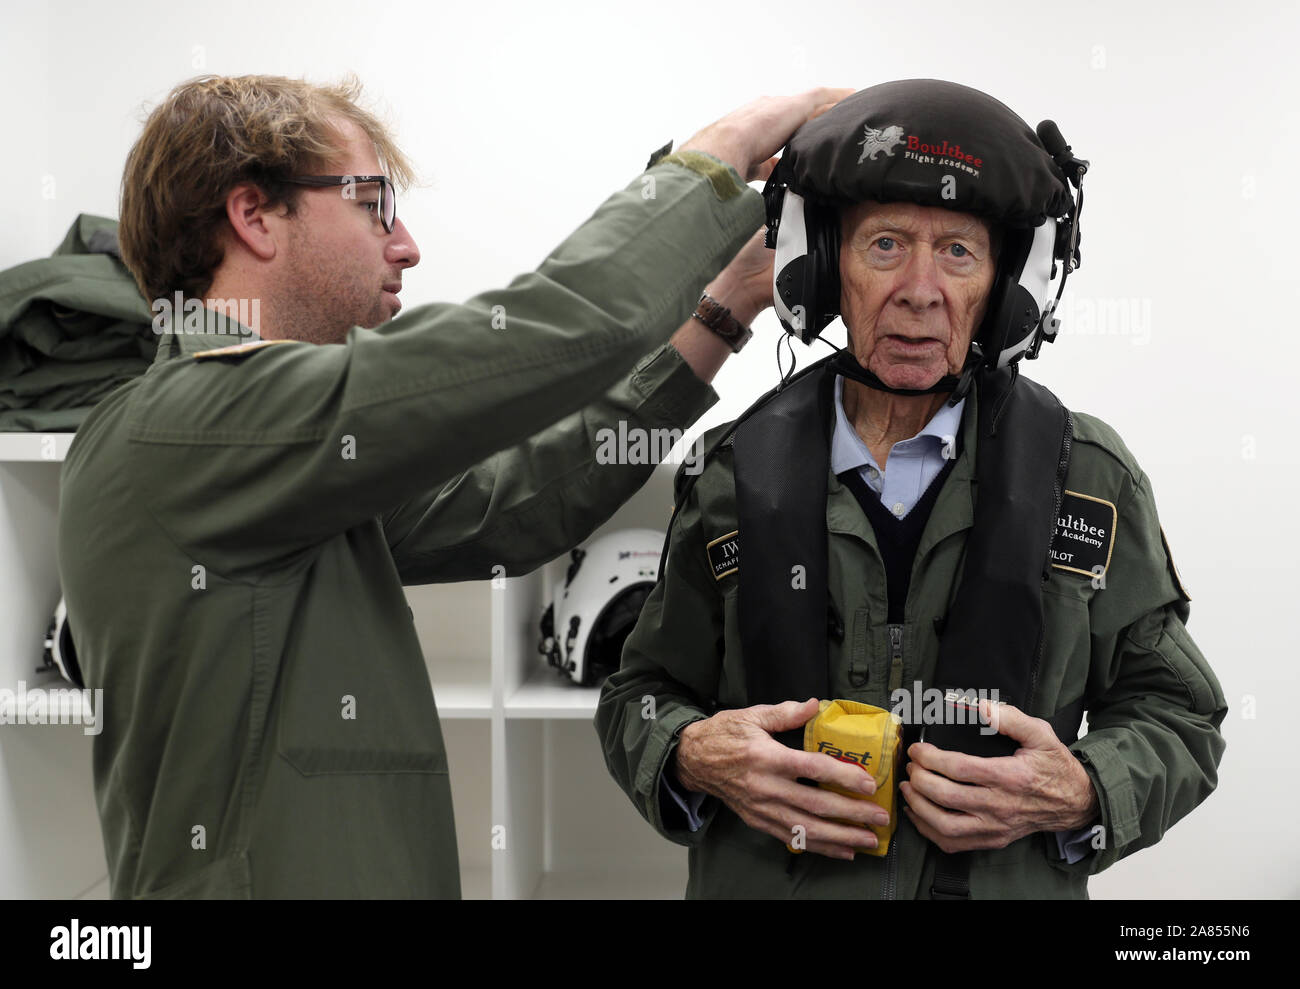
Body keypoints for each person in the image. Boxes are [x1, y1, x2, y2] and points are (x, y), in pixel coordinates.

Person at [57, 73, 850, 898]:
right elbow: (565, 325)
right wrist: (731, 148)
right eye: (373, 204)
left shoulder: (279, 465)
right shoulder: (200, 427)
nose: (405, 245)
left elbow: (523, 500)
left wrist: (729, 302)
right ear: (253, 215)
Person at [595, 79, 1226, 899]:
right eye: (885, 245)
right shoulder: (731, 473)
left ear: (1005, 291)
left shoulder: (1089, 478)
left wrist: (1087, 788)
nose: (920, 290)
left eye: (958, 252)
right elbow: (639, 695)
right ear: (824, 269)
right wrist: (687, 751)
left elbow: (1179, 715)